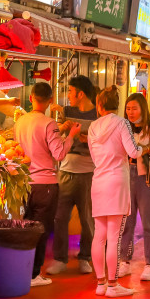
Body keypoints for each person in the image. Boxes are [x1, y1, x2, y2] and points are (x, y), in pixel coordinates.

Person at [80, 86, 150, 298]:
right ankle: (113, 285)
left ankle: (100, 284)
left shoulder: (93, 126)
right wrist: (148, 146)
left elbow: (93, 154)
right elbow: (133, 152)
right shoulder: (122, 123)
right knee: (114, 236)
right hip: (117, 181)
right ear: (117, 105)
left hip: (98, 181)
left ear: (99, 106)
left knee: (99, 235)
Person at [13, 83, 81, 287]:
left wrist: (59, 132)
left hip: (23, 183)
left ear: (31, 97)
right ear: (50, 100)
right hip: (46, 184)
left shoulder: (20, 122)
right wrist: (70, 137)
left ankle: (21, 269)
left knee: (25, 227)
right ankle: (34, 274)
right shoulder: (49, 123)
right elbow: (59, 153)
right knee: (40, 230)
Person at [46, 76, 98, 276]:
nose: (68, 95)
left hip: (88, 173)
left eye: (70, 91)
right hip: (66, 170)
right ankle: (60, 258)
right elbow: (56, 138)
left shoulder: (97, 115)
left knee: (87, 219)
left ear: (80, 94)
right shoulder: (67, 112)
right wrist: (62, 129)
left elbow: (102, 141)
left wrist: (86, 139)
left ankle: (85, 257)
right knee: (60, 218)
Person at [118, 93, 150, 282]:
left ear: (143, 108)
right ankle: (124, 261)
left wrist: (144, 149)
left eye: (134, 108)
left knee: (149, 223)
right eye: (128, 108)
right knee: (126, 222)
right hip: (126, 176)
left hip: (148, 178)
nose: (130, 112)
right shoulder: (123, 127)